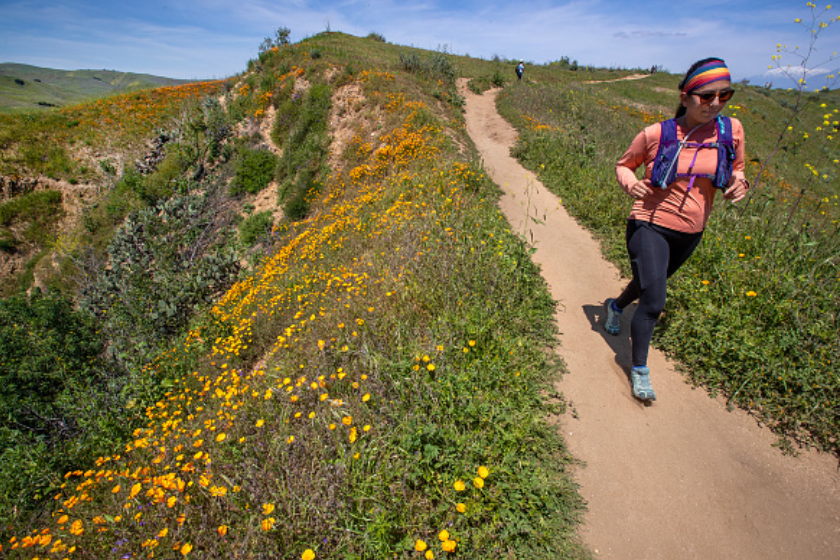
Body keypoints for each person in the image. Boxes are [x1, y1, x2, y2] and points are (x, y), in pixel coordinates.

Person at [604, 57, 749, 402]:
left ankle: (615, 306)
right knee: (654, 299)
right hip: (649, 222)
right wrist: (630, 184)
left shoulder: (732, 132)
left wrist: (740, 183)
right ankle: (639, 369)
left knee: (646, 282)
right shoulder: (657, 134)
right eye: (706, 96)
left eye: (724, 95)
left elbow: (738, 169)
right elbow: (624, 165)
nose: (715, 104)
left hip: (691, 231)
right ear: (685, 97)